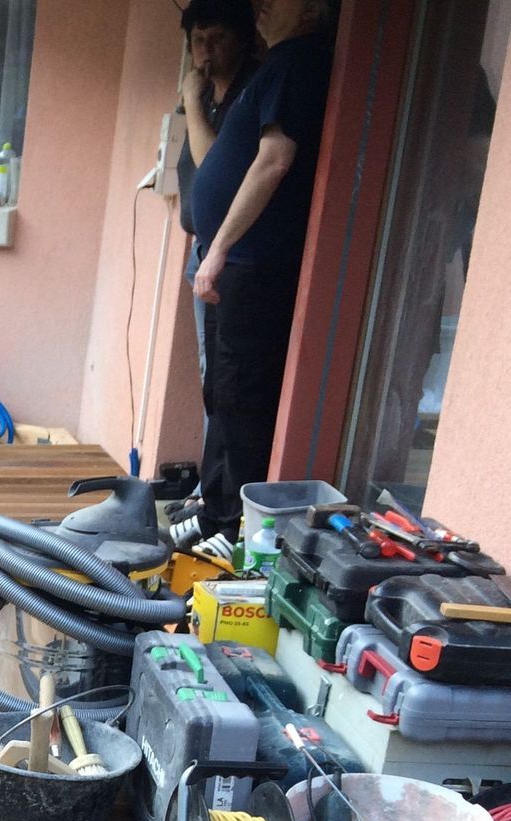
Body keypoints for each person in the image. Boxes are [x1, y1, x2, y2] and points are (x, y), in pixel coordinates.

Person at [183, 0, 337, 544]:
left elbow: (274, 159)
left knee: (242, 398)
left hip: (252, 261)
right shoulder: (275, 64)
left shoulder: (299, 62)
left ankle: (236, 527)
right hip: (231, 261)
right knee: (221, 392)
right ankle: (214, 515)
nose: (263, 5)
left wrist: (220, 246)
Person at [177, 0, 260, 380]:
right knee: (208, 368)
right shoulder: (207, 96)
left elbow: (213, 164)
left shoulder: (249, 93)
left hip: (235, 254)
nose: (205, 50)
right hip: (202, 249)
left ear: (242, 41)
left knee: (226, 373)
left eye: (217, 38)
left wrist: (191, 101)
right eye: (198, 40)